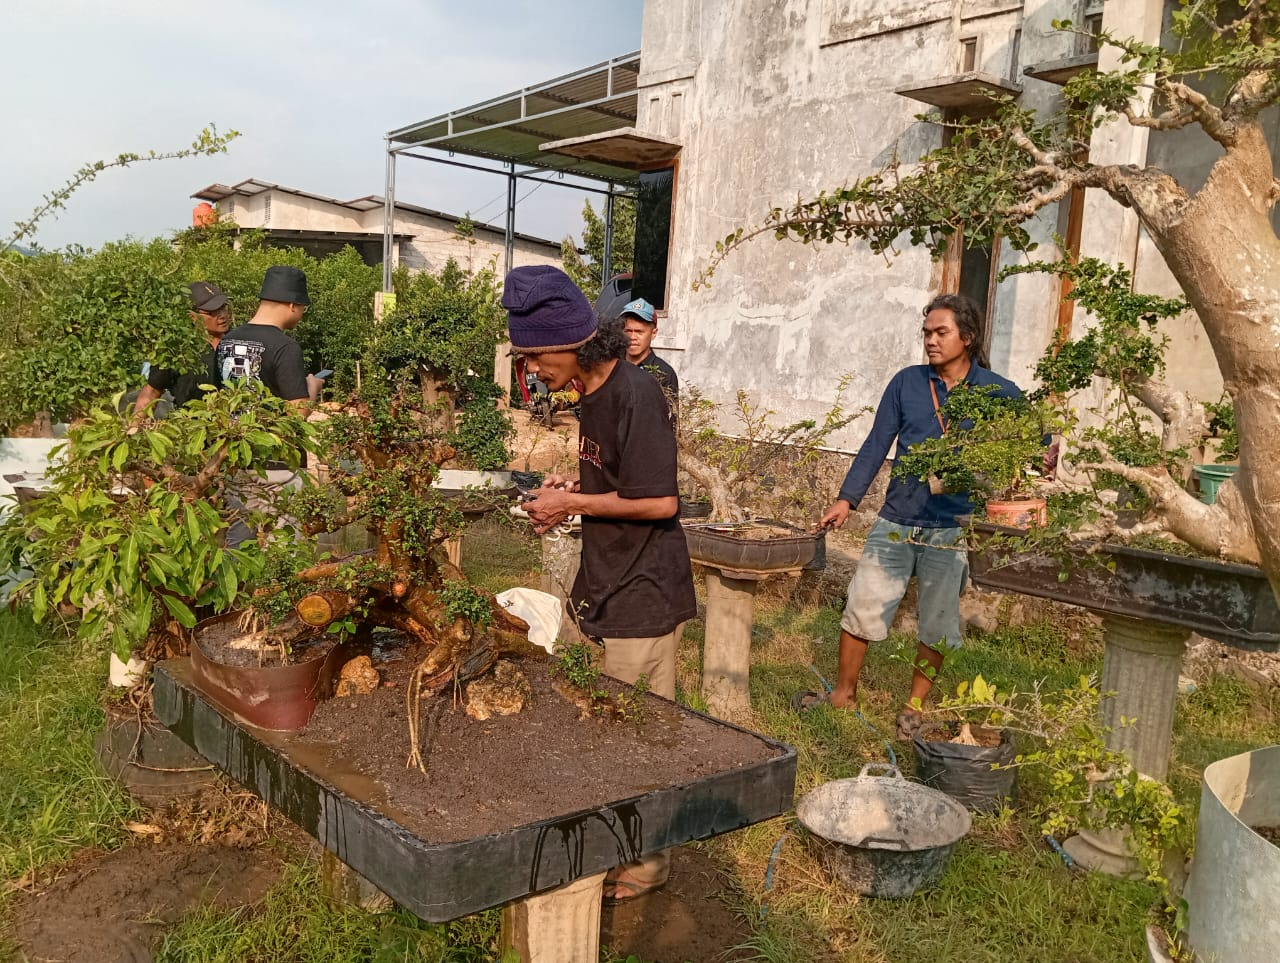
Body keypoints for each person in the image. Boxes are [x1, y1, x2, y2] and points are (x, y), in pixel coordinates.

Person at [507, 265, 696, 903]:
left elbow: (660, 502)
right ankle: (615, 843)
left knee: (640, 734)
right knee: (605, 724)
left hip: (644, 586)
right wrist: (570, 490)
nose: (531, 370)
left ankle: (649, 864)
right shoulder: (593, 392)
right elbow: (614, 481)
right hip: (606, 577)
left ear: (570, 342)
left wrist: (572, 508)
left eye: (534, 356)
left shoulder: (637, 395)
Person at [798, 293, 1022, 739]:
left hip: (954, 525)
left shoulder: (997, 392)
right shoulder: (908, 383)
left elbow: (1035, 441)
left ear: (968, 338)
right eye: (926, 333)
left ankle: (913, 709)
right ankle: (843, 693)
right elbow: (877, 442)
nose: (931, 341)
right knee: (861, 606)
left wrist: (1022, 478)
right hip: (898, 518)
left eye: (941, 333)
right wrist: (847, 498)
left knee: (937, 622)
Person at [216, 265, 324, 407]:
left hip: (229, 428)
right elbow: (298, 412)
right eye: (303, 308)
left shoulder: (227, 340)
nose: (302, 314)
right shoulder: (285, 347)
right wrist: (313, 387)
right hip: (267, 428)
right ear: (292, 306)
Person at [130, 281, 229, 423]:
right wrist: (134, 426)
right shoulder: (177, 351)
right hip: (192, 430)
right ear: (192, 316)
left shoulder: (239, 341)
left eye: (223, 308)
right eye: (212, 312)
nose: (222, 315)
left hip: (234, 431)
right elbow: (152, 391)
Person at [619, 297, 678, 403]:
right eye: (628, 331)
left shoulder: (664, 373)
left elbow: (670, 416)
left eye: (639, 332)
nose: (632, 337)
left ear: (653, 333)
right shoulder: (611, 365)